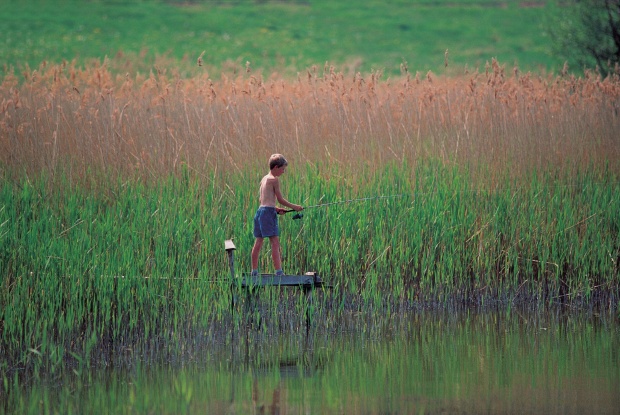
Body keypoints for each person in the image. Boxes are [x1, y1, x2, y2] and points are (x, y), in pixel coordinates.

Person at [251, 154, 303, 276]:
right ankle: (279, 272)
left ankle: (254, 271)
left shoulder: (264, 179)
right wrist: (295, 207)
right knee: (275, 242)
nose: (283, 172)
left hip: (260, 212)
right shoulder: (274, 180)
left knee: (258, 242)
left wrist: (276, 209)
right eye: (282, 169)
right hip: (268, 213)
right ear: (275, 167)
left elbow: (262, 200)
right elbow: (280, 199)